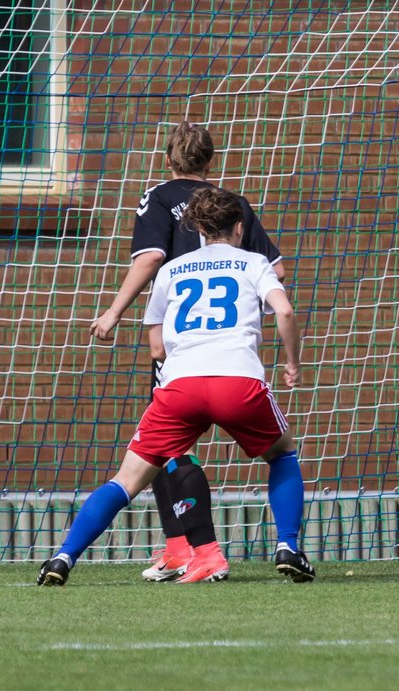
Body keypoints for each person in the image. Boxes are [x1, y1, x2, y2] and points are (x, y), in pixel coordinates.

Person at [38, 188, 310, 586]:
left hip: (179, 386)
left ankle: (63, 557)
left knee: (126, 480)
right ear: (239, 227)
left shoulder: (171, 270)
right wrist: (292, 363)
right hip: (239, 382)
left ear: (198, 229)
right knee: (282, 454)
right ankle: (287, 547)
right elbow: (284, 310)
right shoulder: (254, 263)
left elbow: (156, 347)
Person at [89, 121, 288, 582]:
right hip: (232, 356)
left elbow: (151, 257)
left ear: (168, 159)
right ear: (210, 160)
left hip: (180, 350)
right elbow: (275, 270)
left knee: (163, 447)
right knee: (272, 450)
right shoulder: (231, 205)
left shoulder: (158, 196)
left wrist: (114, 312)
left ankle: (190, 548)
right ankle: (188, 546)